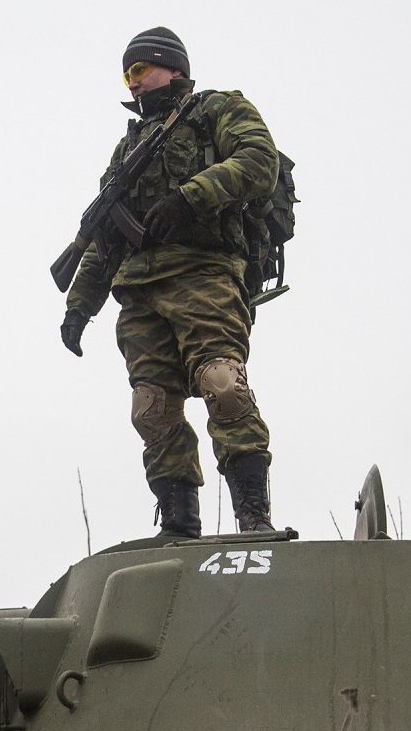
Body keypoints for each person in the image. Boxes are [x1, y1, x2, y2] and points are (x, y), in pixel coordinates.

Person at [59, 27, 280, 536]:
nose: (132, 83)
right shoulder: (127, 149)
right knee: (151, 409)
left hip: (204, 273)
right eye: (126, 74)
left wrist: (190, 197)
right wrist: (80, 306)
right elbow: (105, 237)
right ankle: (179, 523)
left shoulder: (215, 110)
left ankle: (253, 515)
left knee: (221, 383)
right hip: (138, 292)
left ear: (172, 67)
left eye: (140, 70)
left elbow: (258, 162)